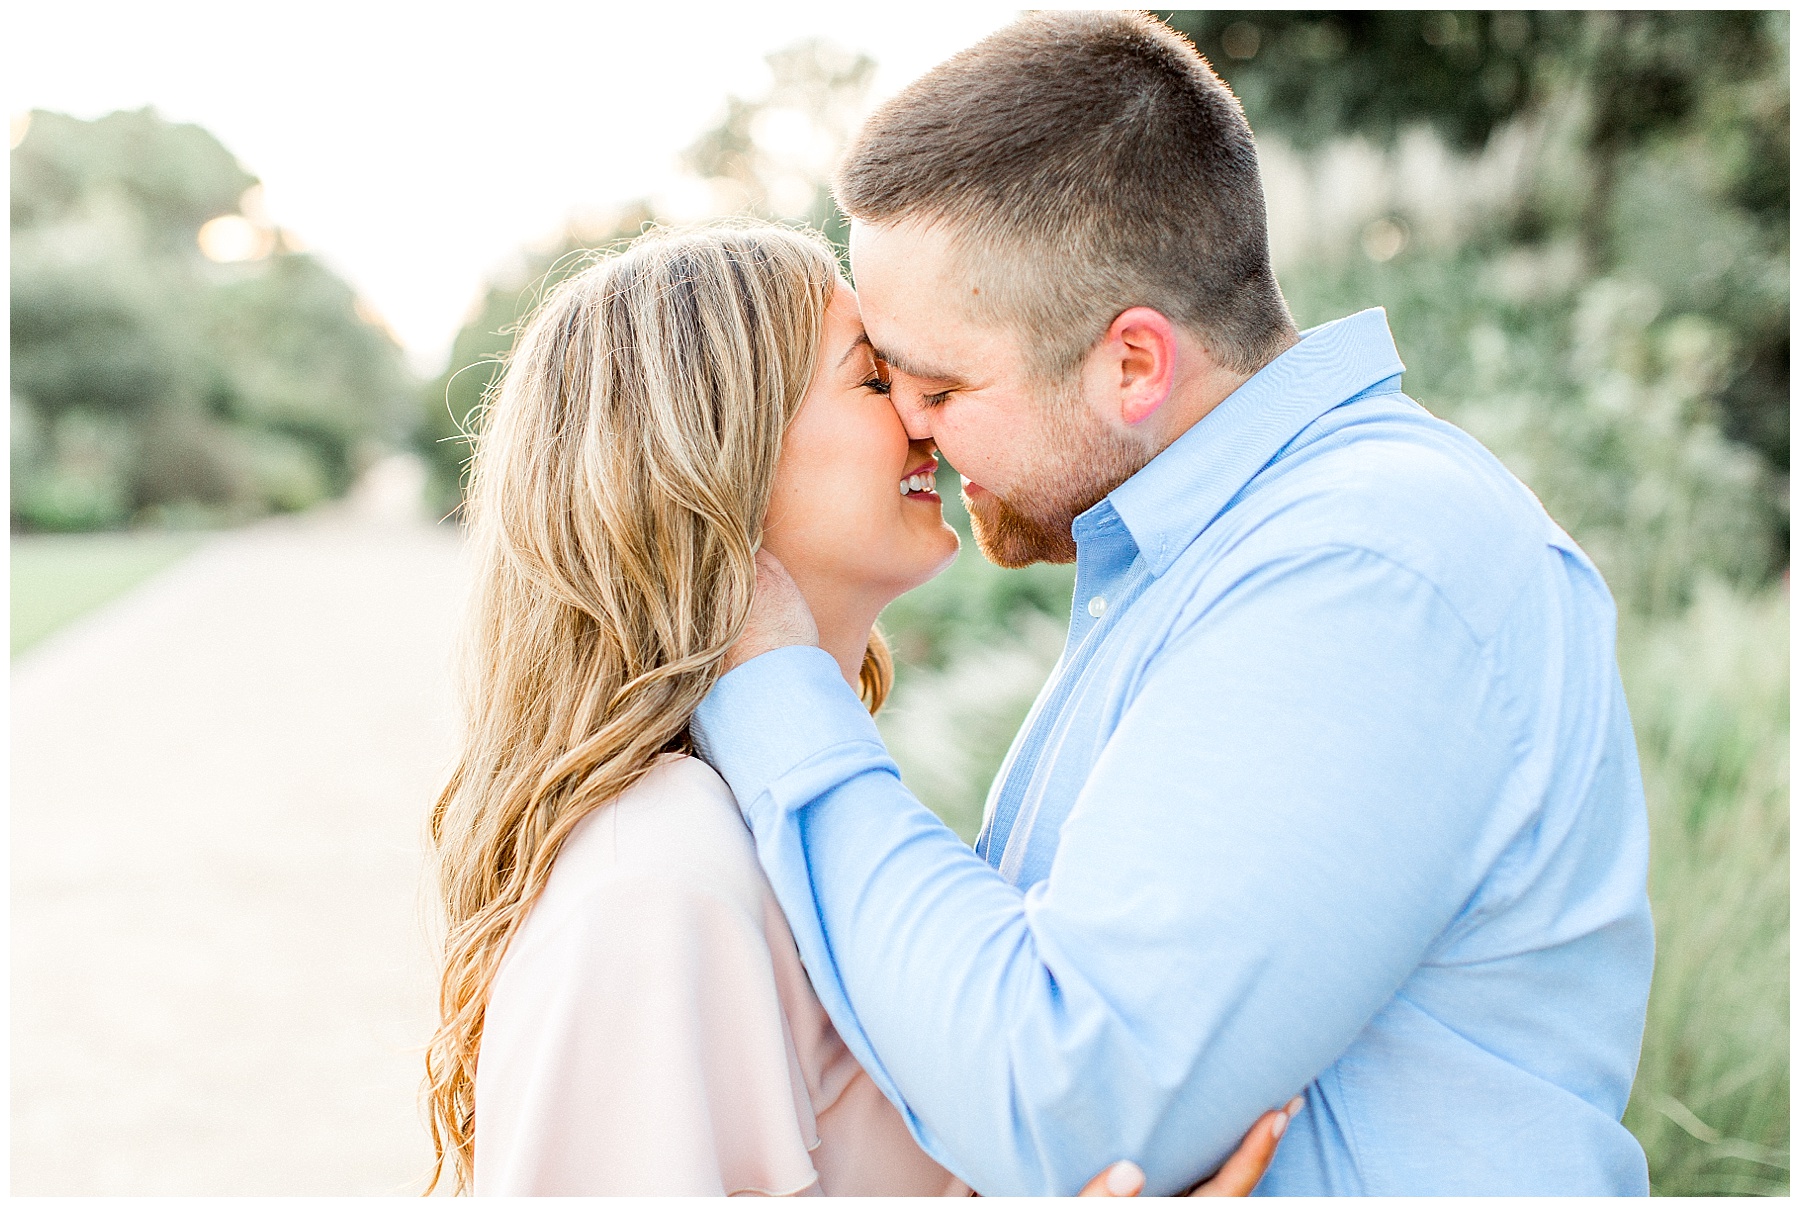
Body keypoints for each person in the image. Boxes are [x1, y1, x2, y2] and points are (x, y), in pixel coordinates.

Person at [695, 11, 1656, 1198]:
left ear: (1134, 365)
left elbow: (1060, 1105)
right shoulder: (1197, 561)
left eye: (939, 385)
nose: (912, 427)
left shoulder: (1366, 566)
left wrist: (777, 691)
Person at [421, 224, 1295, 1195]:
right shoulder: (658, 875)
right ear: (721, 454)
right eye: (877, 381)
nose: (928, 416)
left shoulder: (777, 811)